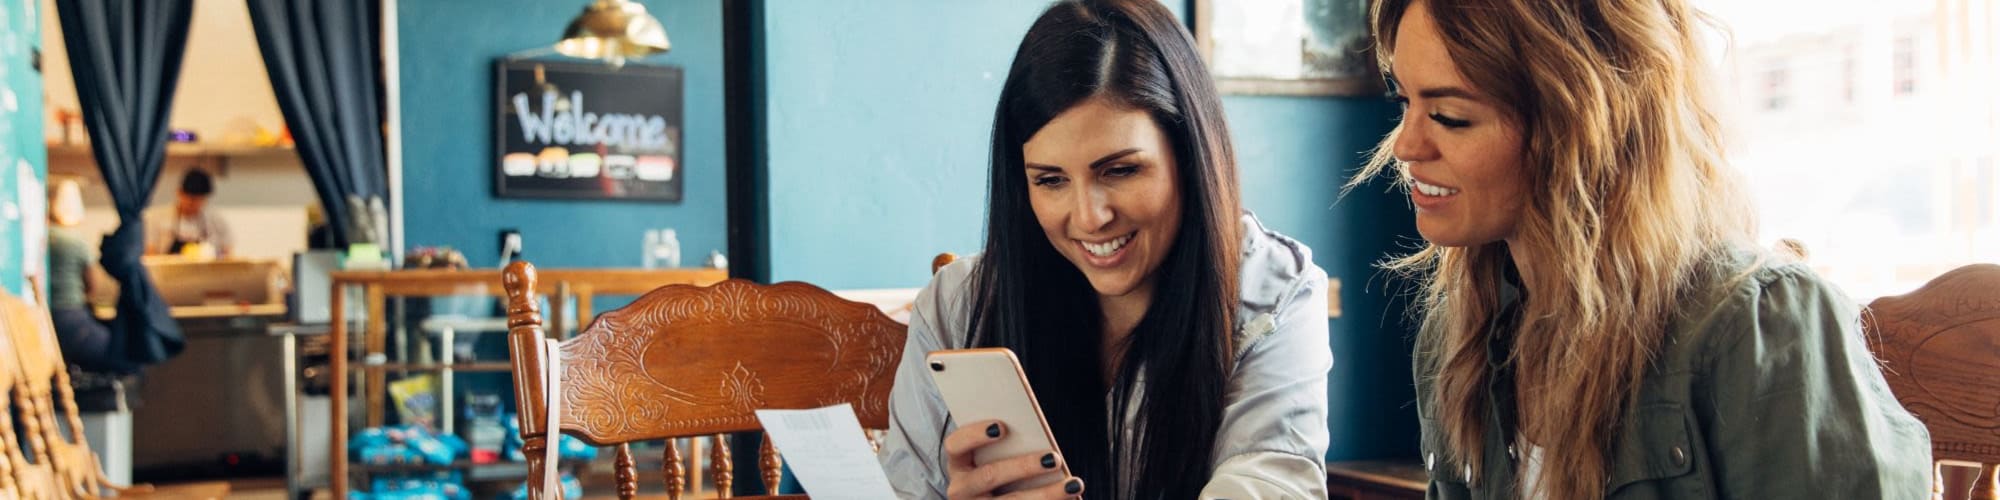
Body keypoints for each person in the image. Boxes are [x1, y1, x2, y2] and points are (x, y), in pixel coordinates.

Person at [1355, 0, 1933, 498]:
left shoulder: (1760, 328)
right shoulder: (1455, 341)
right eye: (1402, 100)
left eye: (1450, 116)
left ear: (1580, 123)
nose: (1405, 144)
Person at [877, 1, 1333, 498]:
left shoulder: (1273, 294)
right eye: (1050, 180)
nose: (1090, 217)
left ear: (1188, 154)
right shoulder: (956, 304)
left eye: (1119, 170)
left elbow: (1266, 484)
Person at [46, 179, 126, 373]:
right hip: (71, 317)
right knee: (122, 356)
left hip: (47, 318)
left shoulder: (44, 237)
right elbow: (93, 286)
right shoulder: (77, 241)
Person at [145, 169, 233, 257]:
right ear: (179, 193)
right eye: (191, 199)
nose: (195, 204)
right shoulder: (156, 218)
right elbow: (150, 254)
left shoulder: (216, 220)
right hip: (168, 270)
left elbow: (227, 253)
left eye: (200, 200)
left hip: (205, 270)